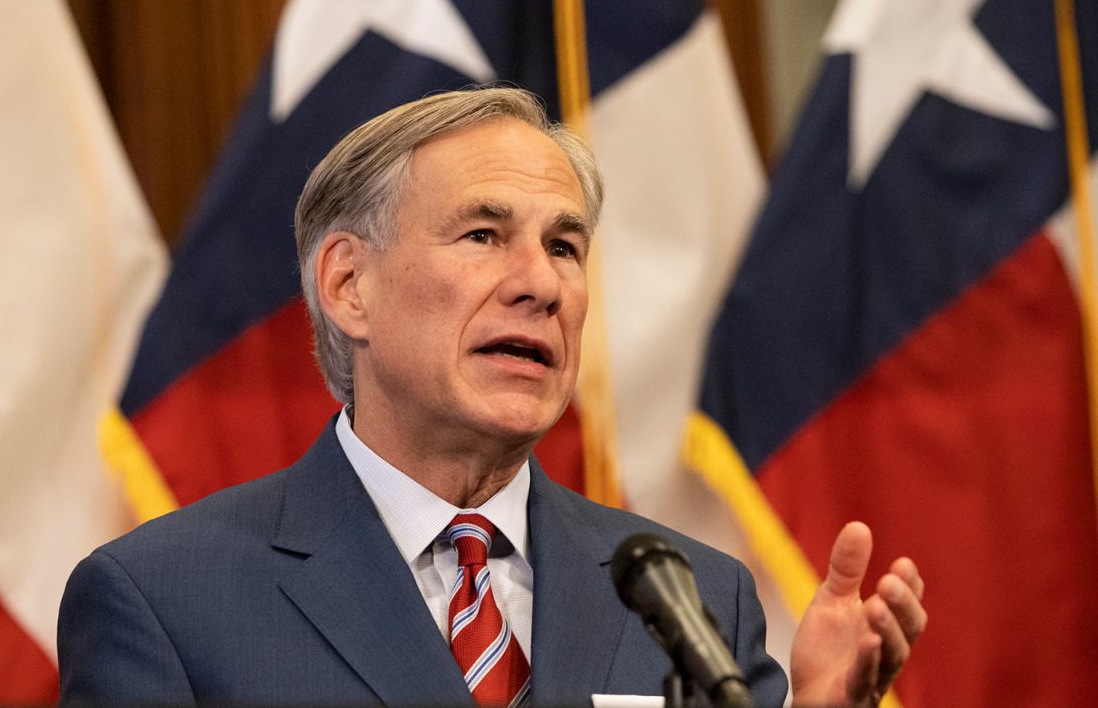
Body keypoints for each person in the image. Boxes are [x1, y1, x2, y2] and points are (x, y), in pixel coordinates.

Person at [58, 88, 926, 707]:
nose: (540, 284)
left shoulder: (694, 598)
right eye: (484, 235)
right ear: (349, 285)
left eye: (565, 247)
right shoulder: (167, 602)